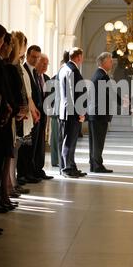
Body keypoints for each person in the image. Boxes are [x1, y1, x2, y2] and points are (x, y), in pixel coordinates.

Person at [58, 47, 86, 178]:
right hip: (72, 111)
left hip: (66, 110)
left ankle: (71, 166)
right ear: (78, 57)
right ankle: (66, 168)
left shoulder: (64, 68)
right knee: (69, 140)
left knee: (71, 140)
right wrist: (79, 112)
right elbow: (75, 93)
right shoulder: (73, 70)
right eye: (82, 56)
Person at [88, 52, 116, 173]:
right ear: (104, 62)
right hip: (100, 114)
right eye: (110, 61)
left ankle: (94, 164)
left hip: (95, 113)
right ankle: (97, 166)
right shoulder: (103, 75)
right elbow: (112, 93)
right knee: (98, 142)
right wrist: (125, 102)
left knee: (94, 142)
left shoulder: (97, 74)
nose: (112, 63)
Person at [34, 54, 53, 180]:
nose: (45, 66)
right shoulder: (33, 76)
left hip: (44, 115)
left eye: (47, 64)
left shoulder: (46, 78)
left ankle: (39, 169)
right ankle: (32, 169)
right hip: (35, 114)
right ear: (37, 62)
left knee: (41, 143)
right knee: (33, 143)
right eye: (42, 63)